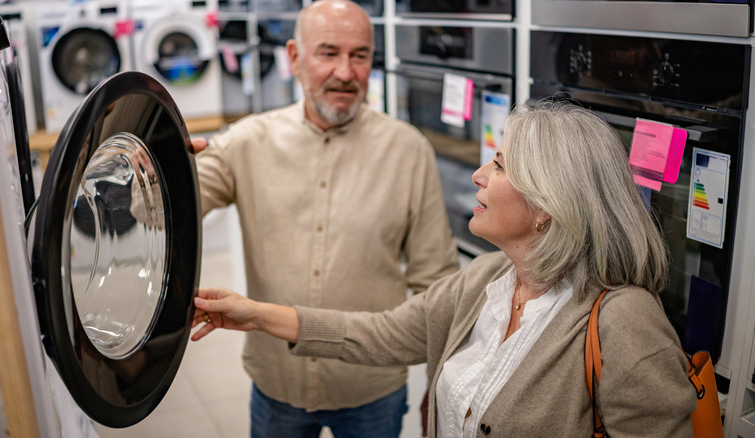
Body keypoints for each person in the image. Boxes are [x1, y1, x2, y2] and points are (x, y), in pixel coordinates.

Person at [191, 101, 699, 437]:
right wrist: (254, 315)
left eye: (499, 165)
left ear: (548, 204)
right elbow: (382, 334)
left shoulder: (624, 322)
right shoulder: (486, 280)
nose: (478, 175)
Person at [191, 0, 459, 436]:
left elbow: (439, 285)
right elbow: (166, 210)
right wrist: (158, 165)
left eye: (359, 56)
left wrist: (441, 382)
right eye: (329, 53)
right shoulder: (246, 141)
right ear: (295, 57)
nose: (346, 73)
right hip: (277, 383)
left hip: (370, 388)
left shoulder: (408, 151)